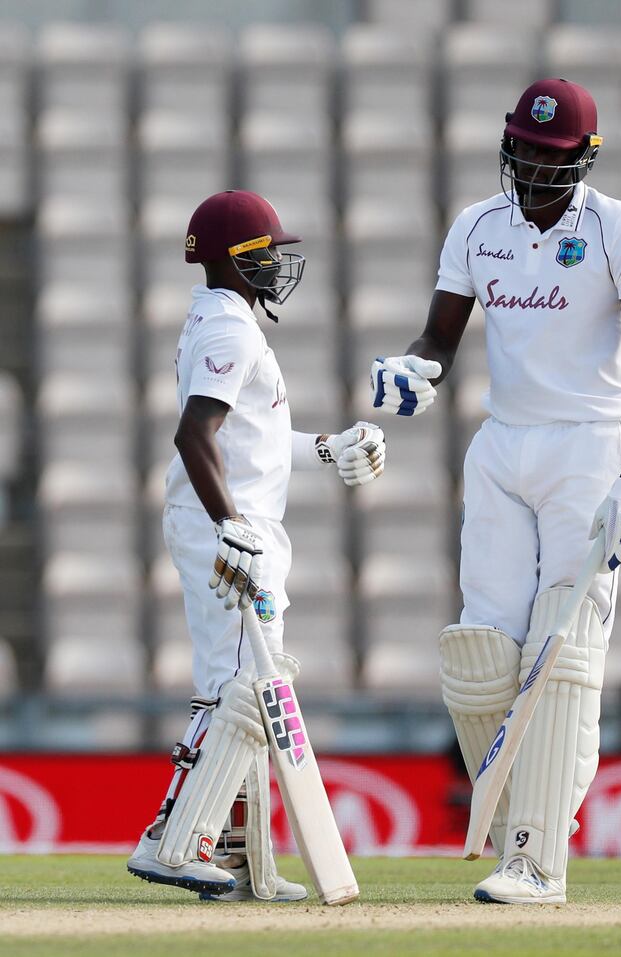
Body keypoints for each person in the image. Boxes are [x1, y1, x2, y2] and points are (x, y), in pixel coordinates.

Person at [371, 78, 621, 904]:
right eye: (524, 148)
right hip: (502, 444)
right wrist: (414, 369)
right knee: (479, 653)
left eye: (550, 153)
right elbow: (440, 336)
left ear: (583, 156)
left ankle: (539, 859)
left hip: (590, 444)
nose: (533, 166)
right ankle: (521, 834)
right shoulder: (477, 225)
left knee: (561, 650)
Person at [127, 190, 385, 902]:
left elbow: (256, 444)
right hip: (229, 529)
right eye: (265, 251)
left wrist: (328, 448)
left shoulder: (228, 321)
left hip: (233, 521)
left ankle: (240, 859)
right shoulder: (230, 332)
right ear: (234, 259)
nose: (277, 263)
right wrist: (229, 526)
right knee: (237, 690)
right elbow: (194, 435)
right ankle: (171, 840)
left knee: (241, 688)